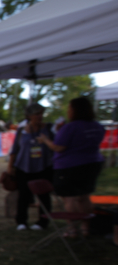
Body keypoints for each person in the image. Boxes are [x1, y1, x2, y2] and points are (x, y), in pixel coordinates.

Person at [38, 96, 105, 237]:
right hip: (92, 164)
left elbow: (59, 147)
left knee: (69, 198)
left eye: (70, 108)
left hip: (69, 167)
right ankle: (85, 228)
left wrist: (45, 140)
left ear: (74, 110)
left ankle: (72, 229)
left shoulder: (71, 127)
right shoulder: (97, 126)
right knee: (85, 196)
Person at [7, 103, 55, 231]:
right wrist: (10, 167)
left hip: (44, 167)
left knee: (44, 196)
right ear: (29, 116)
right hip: (24, 167)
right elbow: (15, 150)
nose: (40, 116)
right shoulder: (21, 131)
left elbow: (56, 147)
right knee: (23, 196)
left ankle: (42, 222)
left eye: (41, 113)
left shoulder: (49, 129)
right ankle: (21, 221)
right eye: (37, 114)